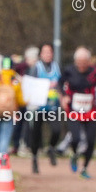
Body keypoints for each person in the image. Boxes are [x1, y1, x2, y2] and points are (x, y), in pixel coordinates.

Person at [60, 47, 96, 179]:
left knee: (91, 141)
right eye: (79, 62)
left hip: (89, 110)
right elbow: (60, 82)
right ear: (75, 61)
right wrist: (63, 96)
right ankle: (74, 155)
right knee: (76, 139)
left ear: (88, 61)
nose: (81, 65)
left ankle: (84, 168)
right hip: (73, 110)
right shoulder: (69, 70)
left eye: (84, 62)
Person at [28, 42, 62, 173]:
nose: (48, 54)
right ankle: (35, 159)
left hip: (52, 107)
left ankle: (51, 148)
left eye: (50, 52)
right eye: (45, 52)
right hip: (38, 107)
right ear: (41, 54)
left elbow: (61, 83)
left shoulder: (56, 66)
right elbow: (31, 84)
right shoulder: (36, 67)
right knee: (36, 135)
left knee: (56, 130)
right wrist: (46, 84)